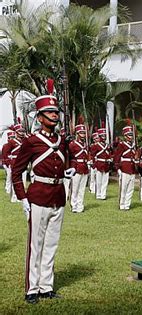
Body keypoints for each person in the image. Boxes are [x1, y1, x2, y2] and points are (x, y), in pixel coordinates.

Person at [12, 90, 75, 304]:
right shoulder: (31, 141)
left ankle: (46, 286)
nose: (54, 116)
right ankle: (32, 288)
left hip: (58, 195)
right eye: (49, 112)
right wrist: (22, 198)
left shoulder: (62, 140)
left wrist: (70, 169)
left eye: (55, 112)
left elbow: (69, 159)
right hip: (37, 196)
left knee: (52, 244)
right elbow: (16, 171)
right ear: (40, 117)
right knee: (35, 244)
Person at [114, 123, 138, 210]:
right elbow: (117, 157)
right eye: (129, 135)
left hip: (132, 169)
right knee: (123, 188)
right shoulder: (122, 145)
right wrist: (118, 168)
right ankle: (122, 204)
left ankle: (127, 204)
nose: (131, 136)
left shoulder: (134, 145)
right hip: (124, 168)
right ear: (125, 136)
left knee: (130, 188)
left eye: (131, 135)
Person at [69, 122, 89, 213]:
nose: (83, 135)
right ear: (77, 134)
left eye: (84, 133)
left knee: (82, 189)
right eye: (81, 133)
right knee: (75, 188)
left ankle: (80, 205)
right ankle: (74, 205)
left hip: (84, 168)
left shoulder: (85, 144)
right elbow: (70, 157)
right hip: (76, 168)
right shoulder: (72, 144)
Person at [90, 127, 112, 200]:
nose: (104, 137)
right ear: (99, 136)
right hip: (99, 164)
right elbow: (93, 155)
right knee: (98, 181)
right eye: (102, 136)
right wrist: (94, 165)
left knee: (105, 181)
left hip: (106, 164)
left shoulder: (107, 145)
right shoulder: (95, 146)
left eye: (104, 135)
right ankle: (98, 194)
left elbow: (109, 154)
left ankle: (103, 194)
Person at [8, 121, 27, 202]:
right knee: (15, 180)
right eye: (20, 131)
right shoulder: (11, 142)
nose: (22, 133)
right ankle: (14, 197)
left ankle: (21, 197)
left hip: (23, 162)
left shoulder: (25, 141)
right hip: (15, 162)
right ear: (16, 132)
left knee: (23, 180)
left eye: (23, 131)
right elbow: (7, 153)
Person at [2, 129, 16, 194]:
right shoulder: (5, 145)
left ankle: (12, 189)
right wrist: (6, 163)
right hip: (8, 163)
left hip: (13, 162)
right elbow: (4, 155)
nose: (12, 138)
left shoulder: (16, 144)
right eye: (11, 137)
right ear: (9, 138)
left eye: (13, 137)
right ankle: (7, 188)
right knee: (9, 176)